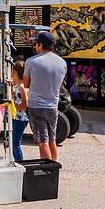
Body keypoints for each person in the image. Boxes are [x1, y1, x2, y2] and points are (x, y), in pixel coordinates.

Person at [24, 31, 67, 161]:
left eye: (36, 43)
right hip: (53, 106)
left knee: (43, 142)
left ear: (40, 45)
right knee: (52, 139)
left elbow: (26, 84)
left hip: (36, 106)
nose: (35, 46)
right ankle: (54, 166)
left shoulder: (31, 62)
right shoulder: (62, 62)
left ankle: (48, 171)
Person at [11, 61, 29, 162]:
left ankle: (20, 164)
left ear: (15, 72)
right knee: (13, 143)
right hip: (16, 117)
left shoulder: (22, 87)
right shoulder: (18, 86)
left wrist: (15, 107)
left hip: (21, 118)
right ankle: (17, 162)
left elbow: (25, 104)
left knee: (16, 144)